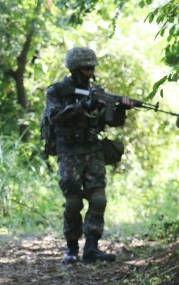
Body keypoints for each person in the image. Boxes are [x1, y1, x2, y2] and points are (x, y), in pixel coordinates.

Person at [43, 46, 133, 265]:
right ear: (74, 68)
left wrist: (119, 108)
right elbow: (55, 116)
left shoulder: (97, 90)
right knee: (73, 202)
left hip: (93, 149)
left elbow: (111, 121)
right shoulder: (57, 91)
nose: (90, 72)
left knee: (98, 198)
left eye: (91, 68)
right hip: (69, 150)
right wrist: (83, 105)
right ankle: (71, 248)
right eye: (85, 68)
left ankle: (92, 247)